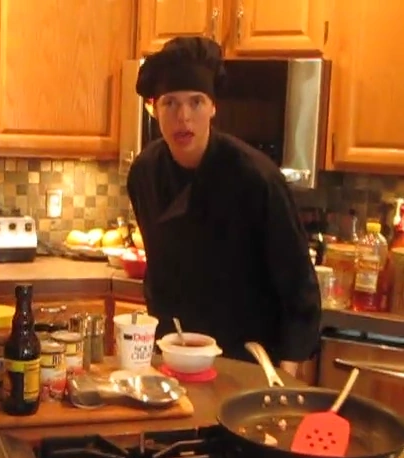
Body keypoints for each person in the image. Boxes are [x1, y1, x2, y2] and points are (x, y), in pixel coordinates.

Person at [126, 36, 321, 376]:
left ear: (213, 107)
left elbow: (298, 285)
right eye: (170, 103)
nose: (183, 116)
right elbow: (158, 275)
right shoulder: (144, 174)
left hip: (250, 357)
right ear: (154, 108)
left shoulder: (258, 178)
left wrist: (285, 373)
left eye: (196, 102)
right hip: (176, 351)